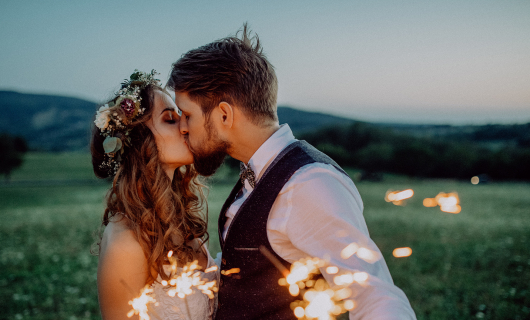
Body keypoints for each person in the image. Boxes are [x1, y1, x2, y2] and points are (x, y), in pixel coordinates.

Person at [166, 25, 417, 319]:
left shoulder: (310, 183)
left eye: (188, 114)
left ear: (224, 114)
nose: (183, 126)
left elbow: (374, 295)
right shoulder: (259, 170)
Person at [91, 70, 218, 320]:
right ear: (138, 142)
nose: (185, 126)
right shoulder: (126, 243)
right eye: (170, 119)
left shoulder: (180, 220)